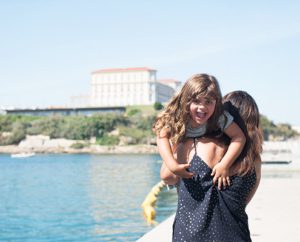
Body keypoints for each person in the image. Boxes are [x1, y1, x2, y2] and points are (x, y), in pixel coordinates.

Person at [161, 90, 263, 242]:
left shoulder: (196, 145)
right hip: (237, 235)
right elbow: (242, 202)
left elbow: (167, 176)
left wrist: (176, 142)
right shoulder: (254, 160)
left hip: (191, 235)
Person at [153, 74, 246, 189]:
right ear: (186, 101)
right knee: (168, 177)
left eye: (208, 102)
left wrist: (224, 164)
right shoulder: (178, 115)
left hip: (201, 149)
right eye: (196, 101)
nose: (202, 107)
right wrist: (172, 165)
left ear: (216, 102)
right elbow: (162, 136)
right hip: (179, 142)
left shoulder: (219, 117)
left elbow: (239, 137)